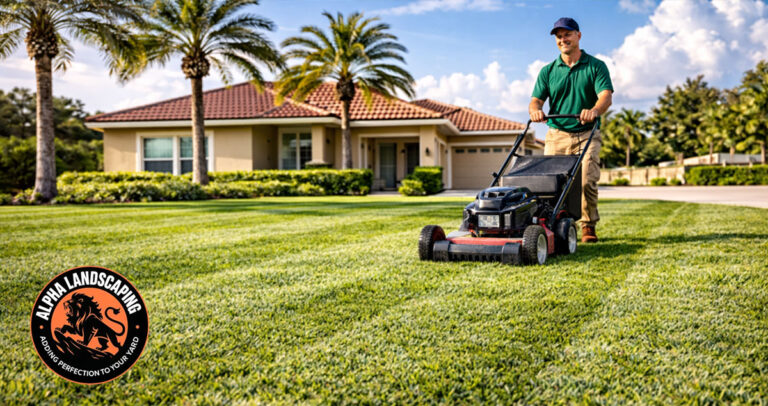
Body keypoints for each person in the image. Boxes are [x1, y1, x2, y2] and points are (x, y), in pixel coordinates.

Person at [529, 17, 613, 243]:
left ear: (578, 35)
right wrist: (536, 110)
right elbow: (536, 100)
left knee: (586, 180)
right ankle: (554, 224)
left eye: (567, 34)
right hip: (557, 135)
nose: (562, 39)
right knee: (550, 184)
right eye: (558, 37)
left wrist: (594, 110)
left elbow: (606, 96)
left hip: (587, 134)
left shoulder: (595, 66)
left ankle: (587, 226)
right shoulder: (548, 71)